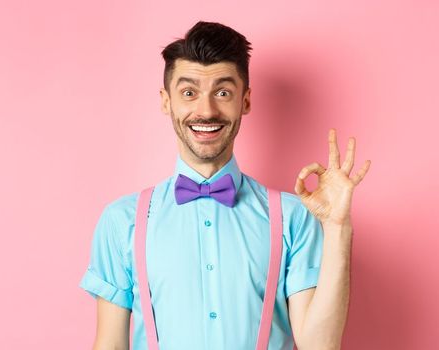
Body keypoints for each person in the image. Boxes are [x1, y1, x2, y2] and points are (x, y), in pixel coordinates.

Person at [79, 21, 371, 350]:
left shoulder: (293, 217)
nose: (206, 110)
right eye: (189, 93)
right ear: (166, 102)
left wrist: (337, 228)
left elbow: (320, 346)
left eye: (222, 92)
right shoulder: (122, 221)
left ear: (245, 101)